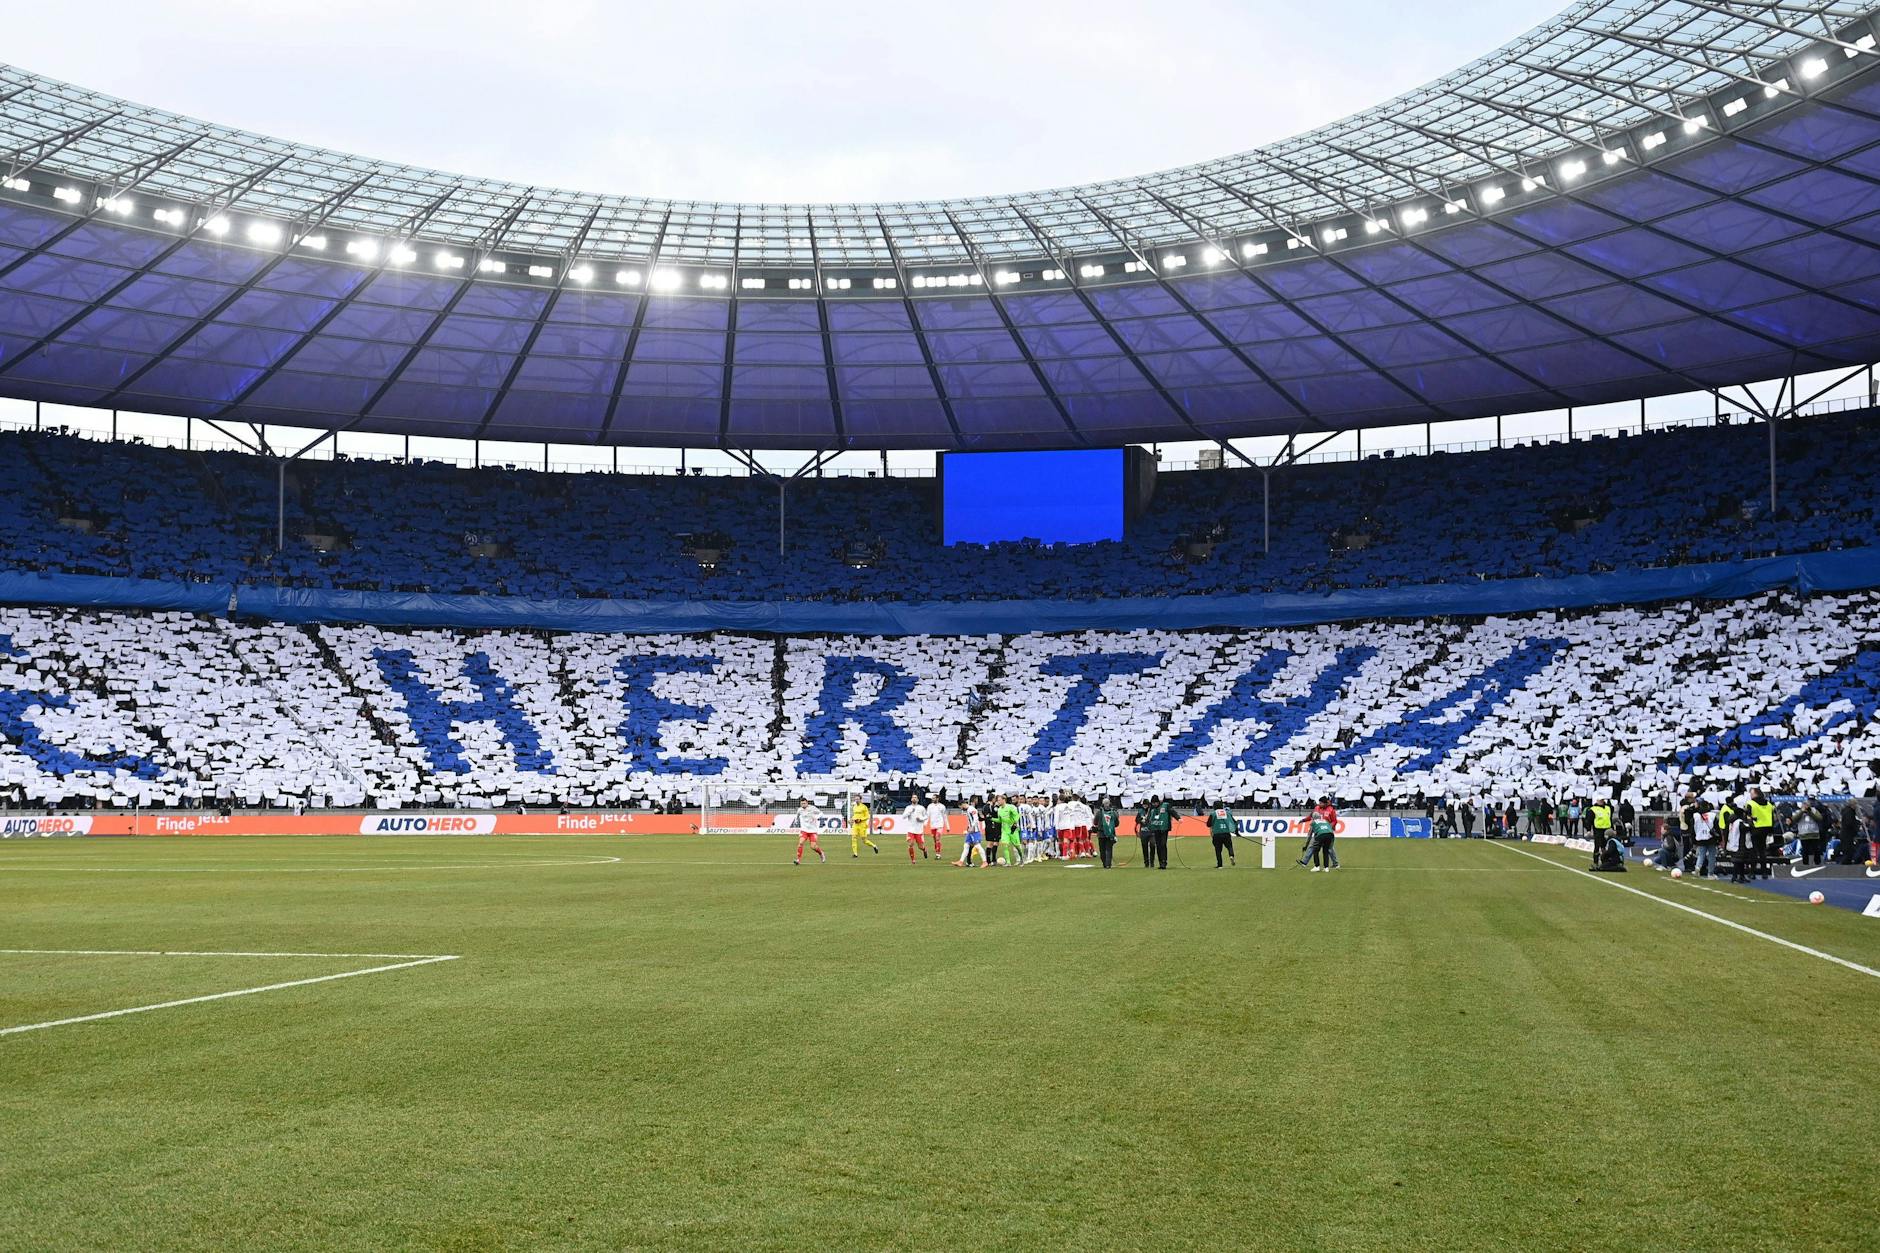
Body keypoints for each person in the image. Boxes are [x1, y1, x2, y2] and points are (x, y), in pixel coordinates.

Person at [1747, 788, 1777, 880]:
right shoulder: (1769, 804)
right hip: (1766, 829)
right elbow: (1772, 818)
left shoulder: (1751, 803)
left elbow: (1748, 817)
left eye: (1751, 793)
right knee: (1762, 851)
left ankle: (1752, 872)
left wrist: (1750, 827)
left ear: (1756, 794)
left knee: (1754, 851)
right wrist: (1771, 830)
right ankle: (1764, 873)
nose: (1750, 795)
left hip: (1756, 828)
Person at [1141, 795, 1175, 870]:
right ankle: (1160, 862)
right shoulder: (1151, 808)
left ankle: (1164, 862)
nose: (1154, 804)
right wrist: (1145, 821)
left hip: (1164, 829)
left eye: (1155, 803)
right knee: (1158, 846)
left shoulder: (1166, 806)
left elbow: (1172, 812)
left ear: (1158, 802)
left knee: (1163, 844)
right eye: (1153, 803)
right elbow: (1149, 817)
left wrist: (1178, 818)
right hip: (1156, 829)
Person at [1309, 795, 1340, 871]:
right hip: (1324, 832)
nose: (1319, 804)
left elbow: (1334, 821)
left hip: (1325, 832)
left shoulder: (1331, 810)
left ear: (1325, 803)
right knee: (1323, 850)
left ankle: (1319, 866)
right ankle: (1326, 867)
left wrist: (1329, 827)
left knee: (1321, 849)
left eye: (1321, 803)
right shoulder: (1318, 810)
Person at [794, 799, 826, 866]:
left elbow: (821, 813)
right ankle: (798, 860)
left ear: (807, 803)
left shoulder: (812, 808)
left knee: (813, 846)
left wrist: (816, 817)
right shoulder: (799, 810)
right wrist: (796, 821)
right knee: (800, 843)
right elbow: (797, 816)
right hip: (804, 830)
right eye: (802, 804)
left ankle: (821, 853)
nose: (803, 805)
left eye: (804, 803)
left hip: (813, 831)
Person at [957, 797, 986, 867]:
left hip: (975, 830)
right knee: (966, 845)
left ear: (962, 804)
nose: (961, 809)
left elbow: (976, 819)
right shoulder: (968, 810)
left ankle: (985, 862)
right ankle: (960, 862)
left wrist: (972, 826)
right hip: (970, 831)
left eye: (960, 807)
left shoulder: (972, 809)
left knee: (977, 845)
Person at [1207, 800, 1237, 868]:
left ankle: (1220, 865)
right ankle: (1231, 855)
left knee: (1218, 850)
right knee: (1229, 846)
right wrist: (1235, 831)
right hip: (1226, 833)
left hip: (1217, 834)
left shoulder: (1213, 814)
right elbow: (1233, 822)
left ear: (1214, 806)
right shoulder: (1227, 813)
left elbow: (1208, 824)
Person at [899, 793, 928, 862]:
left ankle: (924, 849)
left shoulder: (921, 808)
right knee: (911, 844)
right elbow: (903, 817)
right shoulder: (908, 808)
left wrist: (921, 819)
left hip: (919, 830)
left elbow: (926, 816)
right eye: (913, 797)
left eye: (915, 797)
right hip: (911, 829)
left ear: (918, 800)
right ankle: (913, 860)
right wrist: (909, 812)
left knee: (920, 847)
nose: (914, 798)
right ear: (911, 799)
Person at [1094, 797, 1120, 869]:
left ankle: (1104, 863)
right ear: (1109, 804)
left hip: (1101, 834)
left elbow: (1095, 822)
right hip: (1110, 833)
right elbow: (1117, 823)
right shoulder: (1114, 813)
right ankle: (1108, 864)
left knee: (1102, 850)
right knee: (1109, 849)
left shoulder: (1099, 813)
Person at [996, 795, 1022, 868]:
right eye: (997, 800)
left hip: (1013, 830)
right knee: (1005, 845)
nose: (998, 802)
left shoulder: (1011, 807)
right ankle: (1008, 862)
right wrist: (991, 819)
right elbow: (1000, 820)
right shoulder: (999, 809)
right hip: (1005, 831)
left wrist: (1015, 823)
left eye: (999, 800)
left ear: (1004, 800)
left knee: (1017, 846)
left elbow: (1017, 815)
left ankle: (1022, 859)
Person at [924, 792, 949, 861]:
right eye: (932, 798)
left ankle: (938, 854)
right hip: (933, 825)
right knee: (935, 840)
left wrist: (947, 826)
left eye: (934, 798)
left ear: (937, 799)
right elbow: (927, 815)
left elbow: (945, 816)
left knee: (937, 838)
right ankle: (937, 852)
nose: (932, 799)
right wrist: (925, 823)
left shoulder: (942, 806)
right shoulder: (930, 806)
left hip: (940, 825)